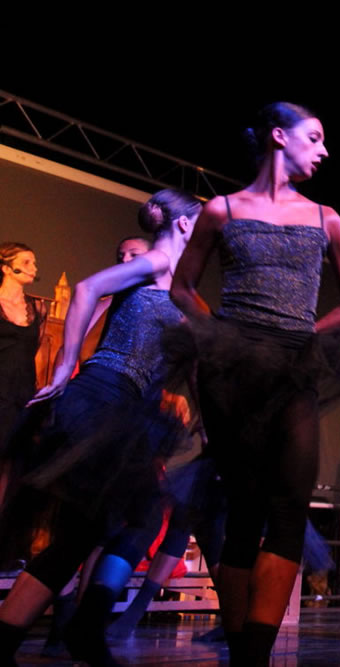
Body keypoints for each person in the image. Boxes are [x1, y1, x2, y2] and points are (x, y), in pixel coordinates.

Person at [170, 101, 340, 665]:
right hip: (233, 370)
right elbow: (182, 287)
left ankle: (255, 652)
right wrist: (220, 335)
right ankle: (241, 648)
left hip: (293, 365)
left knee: (289, 506)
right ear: (279, 137)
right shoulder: (222, 209)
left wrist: (305, 331)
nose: (325, 150)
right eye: (316, 137)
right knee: (243, 508)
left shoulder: (326, 218)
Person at [0, 189, 199, 666]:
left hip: (125, 406)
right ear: (185, 225)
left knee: (84, 535)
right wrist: (64, 366)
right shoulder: (155, 261)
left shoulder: (176, 282)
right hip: (103, 398)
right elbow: (87, 288)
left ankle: (55, 631)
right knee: (134, 516)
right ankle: (87, 626)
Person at [0, 242, 47, 454]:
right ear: (6, 268)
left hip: (22, 390)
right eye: (26, 262)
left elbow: (35, 349)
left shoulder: (37, 307)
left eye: (34, 263)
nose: (33, 268)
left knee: (13, 453)